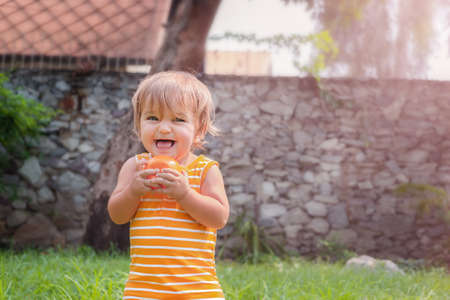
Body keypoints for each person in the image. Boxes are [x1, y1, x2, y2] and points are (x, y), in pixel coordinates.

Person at [107, 71, 229, 299]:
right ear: (138, 123)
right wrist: (133, 191)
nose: (163, 128)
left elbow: (219, 218)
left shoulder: (205, 170)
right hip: (144, 289)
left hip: (197, 288)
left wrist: (185, 194)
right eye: (152, 118)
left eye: (178, 120)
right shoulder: (135, 167)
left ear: (199, 129)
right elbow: (117, 215)